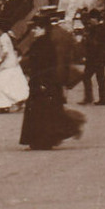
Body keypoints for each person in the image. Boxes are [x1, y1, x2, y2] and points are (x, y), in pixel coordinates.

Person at [18, 10, 85, 151]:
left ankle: (43, 139)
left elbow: (45, 65)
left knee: (45, 112)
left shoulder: (46, 44)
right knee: (46, 112)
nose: (34, 31)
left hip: (44, 82)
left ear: (43, 28)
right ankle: (41, 139)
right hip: (42, 82)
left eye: (36, 28)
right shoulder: (43, 42)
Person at [0, 21, 30, 111]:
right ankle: (16, 100)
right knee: (11, 84)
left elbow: (5, 51)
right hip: (12, 63)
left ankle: (5, 105)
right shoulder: (7, 36)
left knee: (0, 85)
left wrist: (0, 59)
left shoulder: (2, 38)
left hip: (6, 65)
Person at [78, 9, 105, 106]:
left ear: (95, 19)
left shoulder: (98, 29)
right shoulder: (102, 28)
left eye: (91, 18)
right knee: (100, 78)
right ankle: (102, 99)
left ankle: (89, 98)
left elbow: (95, 44)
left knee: (87, 77)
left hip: (94, 58)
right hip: (99, 58)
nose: (90, 20)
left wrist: (87, 39)